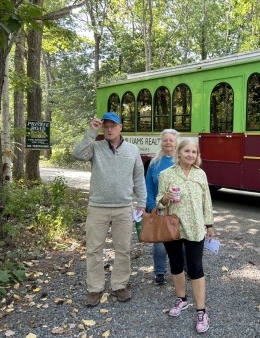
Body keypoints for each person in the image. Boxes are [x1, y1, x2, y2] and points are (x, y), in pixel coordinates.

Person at [73, 112, 146, 307]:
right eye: (105, 126)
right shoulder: (95, 147)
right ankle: (95, 288)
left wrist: (142, 202)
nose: (109, 129)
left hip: (123, 208)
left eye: (113, 125)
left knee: (123, 249)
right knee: (94, 249)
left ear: (121, 127)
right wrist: (91, 131)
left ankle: (119, 285)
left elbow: (139, 177)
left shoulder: (132, 150)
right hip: (98, 207)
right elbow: (77, 154)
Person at [157, 139, 214, 333]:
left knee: (196, 267)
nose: (191, 155)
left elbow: (207, 201)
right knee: (175, 264)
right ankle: (181, 300)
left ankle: (201, 310)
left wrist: (210, 224)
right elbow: (159, 202)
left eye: (194, 152)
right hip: (172, 227)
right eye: (187, 151)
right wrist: (166, 198)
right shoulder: (166, 174)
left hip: (196, 227)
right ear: (179, 153)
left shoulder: (201, 174)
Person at [145, 129, 180, 285]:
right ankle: (160, 272)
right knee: (160, 242)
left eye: (171, 140)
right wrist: (151, 205)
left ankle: (183, 269)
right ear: (161, 142)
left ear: (176, 142)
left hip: (180, 208)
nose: (168, 143)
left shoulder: (182, 160)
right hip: (160, 207)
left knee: (182, 240)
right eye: (165, 140)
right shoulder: (154, 163)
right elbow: (148, 186)